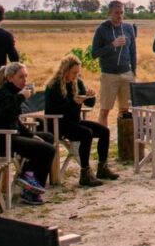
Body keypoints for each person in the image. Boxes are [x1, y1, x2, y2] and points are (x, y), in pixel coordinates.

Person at [0, 62, 55, 206]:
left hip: (12, 135)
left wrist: (31, 135)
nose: (24, 80)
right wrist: (21, 97)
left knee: (47, 138)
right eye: (21, 77)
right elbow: (6, 115)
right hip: (1, 139)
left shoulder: (10, 92)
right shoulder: (3, 93)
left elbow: (15, 121)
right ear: (10, 78)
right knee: (48, 150)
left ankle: (28, 175)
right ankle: (31, 188)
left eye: (25, 77)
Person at [44, 55, 119, 187]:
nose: (76, 75)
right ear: (65, 71)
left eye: (78, 73)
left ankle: (102, 167)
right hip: (60, 124)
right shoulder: (54, 86)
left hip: (75, 121)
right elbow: (52, 111)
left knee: (104, 131)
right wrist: (73, 103)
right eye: (74, 73)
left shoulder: (77, 83)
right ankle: (85, 172)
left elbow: (88, 104)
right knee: (86, 133)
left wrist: (90, 97)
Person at [91, 1, 137, 127]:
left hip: (126, 74)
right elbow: (94, 53)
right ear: (109, 13)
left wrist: (134, 72)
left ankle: (123, 141)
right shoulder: (102, 29)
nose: (119, 16)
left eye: (122, 13)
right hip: (109, 75)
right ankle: (103, 139)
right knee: (105, 109)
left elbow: (133, 51)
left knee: (125, 110)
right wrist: (112, 45)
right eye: (116, 13)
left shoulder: (128, 28)